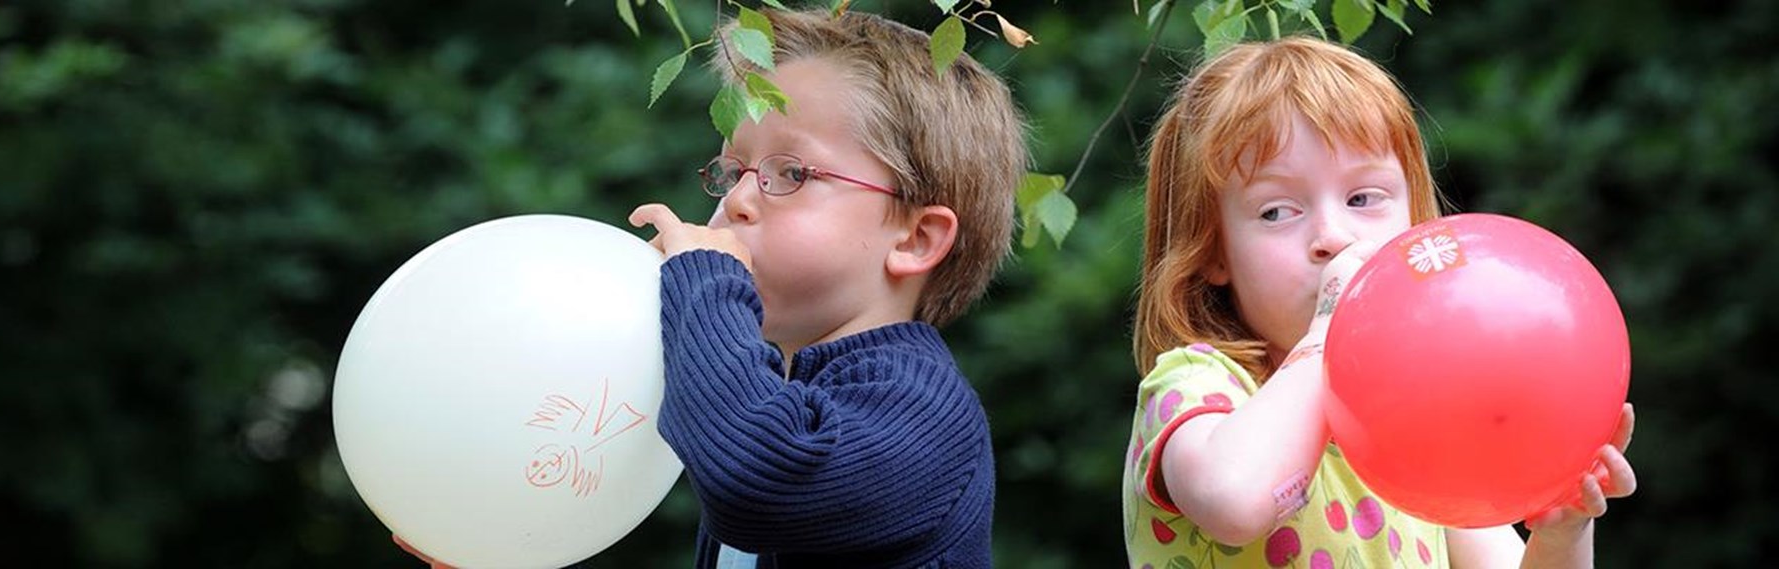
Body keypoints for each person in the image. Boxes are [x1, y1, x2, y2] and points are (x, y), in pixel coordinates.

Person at [1122, 36, 1637, 568]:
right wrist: (1329, 333)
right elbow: (1234, 502)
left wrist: (1562, 532)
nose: (1334, 236)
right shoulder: (1194, 383)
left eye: (1362, 198)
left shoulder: (1413, 424)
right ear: (1212, 251)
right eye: (1276, 211)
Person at [626, 8, 1027, 568]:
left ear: (916, 239)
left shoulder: (925, 410)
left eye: (792, 173)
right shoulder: (768, 397)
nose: (736, 200)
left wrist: (704, 284)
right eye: (733, 171)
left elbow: (754, 478)